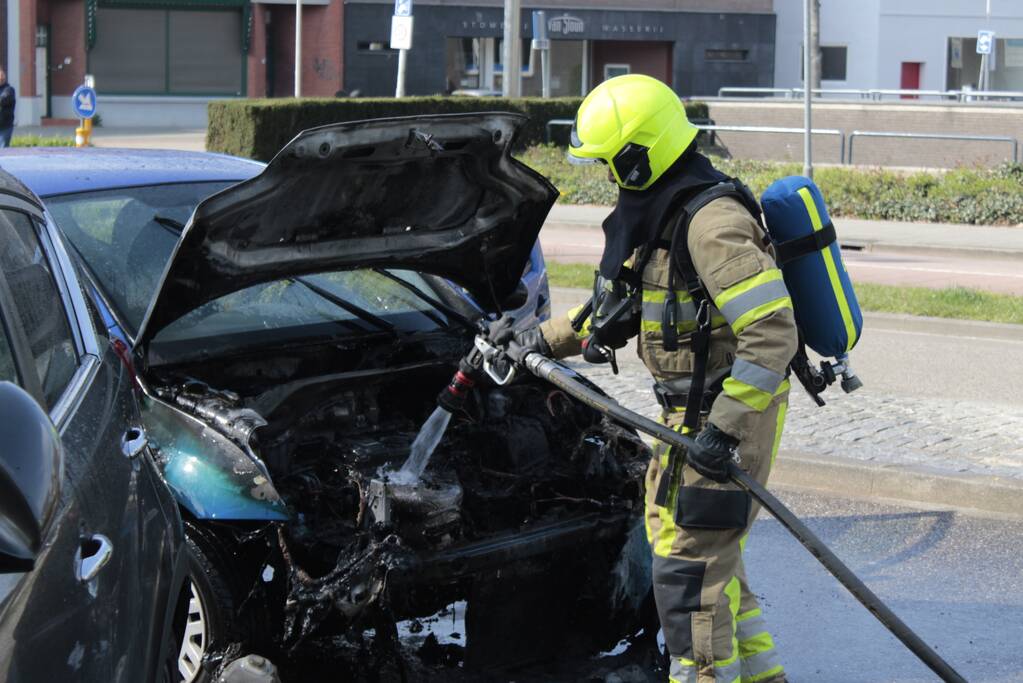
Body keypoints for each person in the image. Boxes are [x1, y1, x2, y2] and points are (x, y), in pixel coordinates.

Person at [508, 74, 796, 683]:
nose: (610, 177)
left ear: (640, 156)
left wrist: (724, 432)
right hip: (685, 420)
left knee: (688, 574)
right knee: (705, 559)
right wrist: (536, 343)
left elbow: (772, 333)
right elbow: (613, 309)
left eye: (613, 162)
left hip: (723, 420)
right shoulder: (663, 210)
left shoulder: (711, 222)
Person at [0, 69, 15, 148]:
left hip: (4, 128)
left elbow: (3, 99)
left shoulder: (9, 90)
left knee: (2, 152)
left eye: (2, 76)